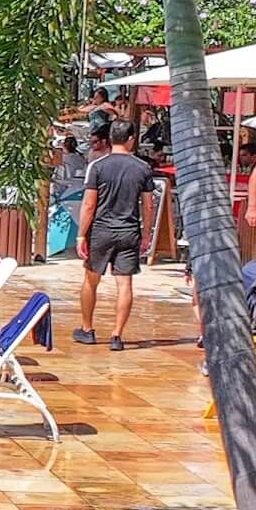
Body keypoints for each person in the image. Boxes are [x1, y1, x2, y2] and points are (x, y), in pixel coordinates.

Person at [73, 125, 156, 348]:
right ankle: (117, 335)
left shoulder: (97, 167)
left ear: (110, 139)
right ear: (131, 139)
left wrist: (81, 235)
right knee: (125, 283)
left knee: (91, 279)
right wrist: (146, 234)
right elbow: (148, 206)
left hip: (101, 230)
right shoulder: (143, 168)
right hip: (129, 231)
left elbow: (89, 204)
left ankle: (87, 329)